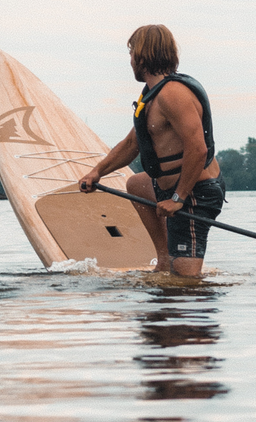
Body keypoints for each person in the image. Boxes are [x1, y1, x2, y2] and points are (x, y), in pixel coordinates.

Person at [78, 24, 224, 277]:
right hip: (173, 188)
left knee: (186, 285)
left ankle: (180, 270)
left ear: (143, 56)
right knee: (137, 184)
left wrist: (178, 199)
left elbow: (198, 149)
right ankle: (164, 260)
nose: (130, 61)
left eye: (132, 54)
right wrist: (97, 172)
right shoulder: (152, 95)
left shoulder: (173, 94)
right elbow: (132, 144)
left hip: (195, 194)